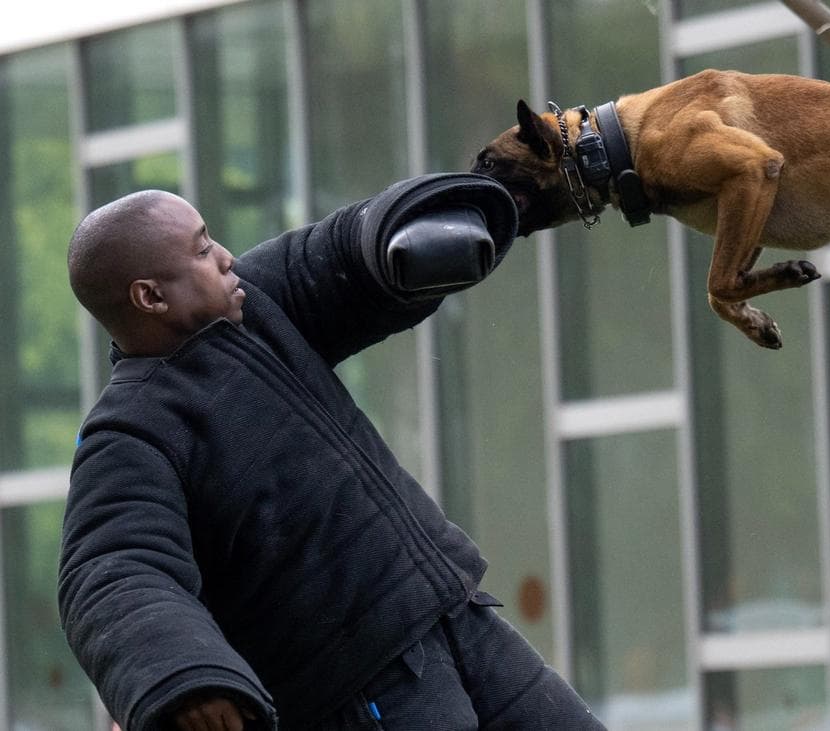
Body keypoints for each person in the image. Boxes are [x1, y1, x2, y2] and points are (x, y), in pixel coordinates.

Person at [58, 173, 606, 730]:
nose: (226, 257)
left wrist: (427, 222)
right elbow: (112, 571)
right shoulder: (128, 433)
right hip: (359, 689)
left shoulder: (258, 303)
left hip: (458, 618)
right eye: (202, 249)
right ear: (150, 296)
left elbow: (335, 256)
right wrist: (184, 678)